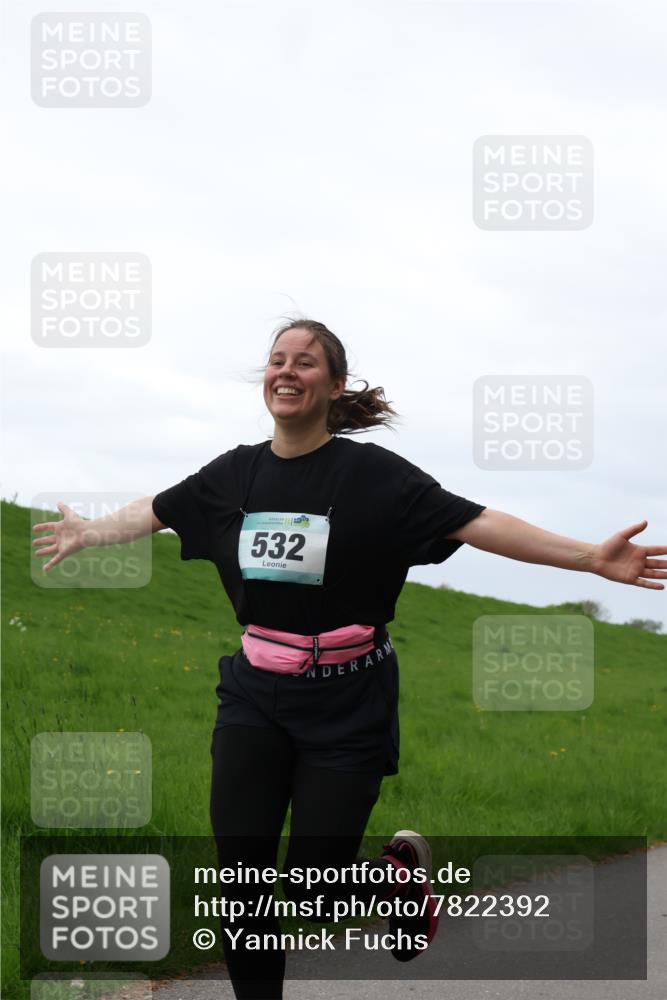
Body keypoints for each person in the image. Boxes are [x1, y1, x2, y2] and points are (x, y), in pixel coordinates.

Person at [34, 318, 666, 1000]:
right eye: (277, 360)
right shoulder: (235, 473)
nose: (286, 371)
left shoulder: (373, 476)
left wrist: (587, 558)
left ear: (334, 386)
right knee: (241, 880)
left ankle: (396, 878)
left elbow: (477, 522)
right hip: (253, 696)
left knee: (314, 888)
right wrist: (89, 532)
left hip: (348, 697)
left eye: (305, 363)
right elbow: (156, 510)